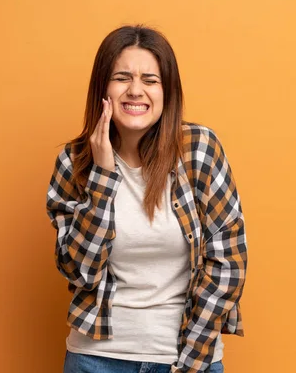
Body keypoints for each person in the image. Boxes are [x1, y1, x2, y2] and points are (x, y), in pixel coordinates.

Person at [45, 25, 247, 373]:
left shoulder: (198, 150)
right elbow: (80, 271)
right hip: (96, 360)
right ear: (102, 89)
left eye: (150, 80)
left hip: (186, 357)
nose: (135, 90)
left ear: (167, 90)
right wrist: (104, 176)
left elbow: (228, 261)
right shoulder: (74, 162)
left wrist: (191, 362)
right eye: (122, 77)